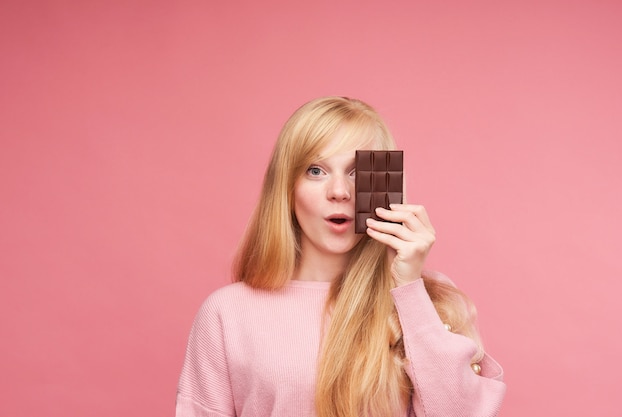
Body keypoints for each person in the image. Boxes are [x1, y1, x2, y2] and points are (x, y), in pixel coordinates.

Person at [175, 96, 506, 417]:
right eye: (316, 171)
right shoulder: (227, 313)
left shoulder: (426, 300)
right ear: (286, 189)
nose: (339, 191)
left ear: (384, 185)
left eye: (356, 171)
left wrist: (408, 289)